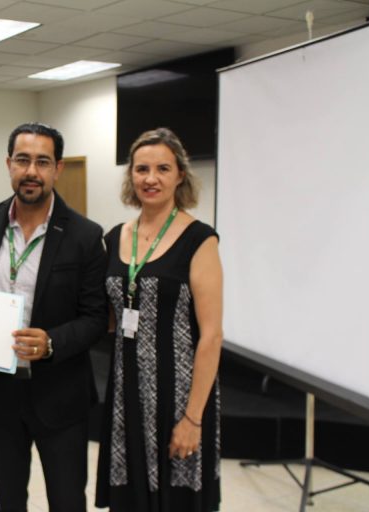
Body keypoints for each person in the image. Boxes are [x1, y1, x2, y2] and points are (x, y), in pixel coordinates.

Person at [0, 122, 107, 511]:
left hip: (60, 393)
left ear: (58, 168)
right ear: (9, 164)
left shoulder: (85, 236)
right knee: (7, 500)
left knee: (67, 502)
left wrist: (51, 342)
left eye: (42, 161)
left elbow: (95, 317)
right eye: (22, 160)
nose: (31, 171)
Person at [95, 127, 223, 512]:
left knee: (177, 499)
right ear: (131, 175)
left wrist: (193, 419)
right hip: (126, 394)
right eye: (142, 169)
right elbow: (109, 318)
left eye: (163, 169)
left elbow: (212, 336)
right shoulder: (115, 237)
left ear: (180, 175)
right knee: (130, 497)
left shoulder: (200, 239)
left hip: (180, 396)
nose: (151, 179)